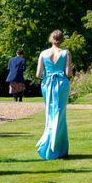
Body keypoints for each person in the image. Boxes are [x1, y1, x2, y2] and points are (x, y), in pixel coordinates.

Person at [37, 30, 72, 160]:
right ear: (62, 40)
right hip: (61, 83)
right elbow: (68, 73)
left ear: (50, 39)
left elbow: (38, 74)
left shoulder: (43, 53)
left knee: (50, 113)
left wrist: (49, 73)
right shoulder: (66, 53)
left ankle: (50, 146)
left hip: (47, 84)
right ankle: (58, 148)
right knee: (60, 114)